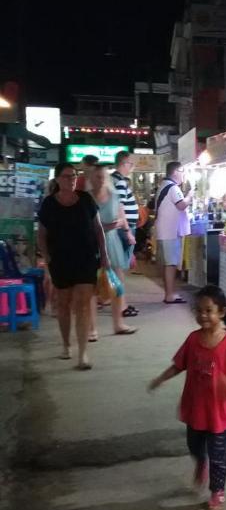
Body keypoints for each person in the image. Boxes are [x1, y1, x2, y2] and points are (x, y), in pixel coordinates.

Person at [148, 285, 226, 510]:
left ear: (221, 312)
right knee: (194, 446)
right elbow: (178, 365)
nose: (203, 315)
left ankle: (217, 491)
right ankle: (200, 462)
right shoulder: (193, 340)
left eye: (208, 310)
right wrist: (161, 379)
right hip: (195, 408)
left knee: (218, 455)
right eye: (199, 310)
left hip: (217, 413)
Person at [37, 162, 109, 369]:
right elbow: (41, 234)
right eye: (67, 176)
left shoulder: (85, 199)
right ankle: (66, 345)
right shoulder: (49, 204)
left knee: (83, 305)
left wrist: (104, 254)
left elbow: (98, 229)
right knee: (64, 304)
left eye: (74, 176)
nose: (72, 180)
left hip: (86, 258)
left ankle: (83, 353)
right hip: (60, 260)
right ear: (58, 179)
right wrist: (47, 257)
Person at [89, 165, 136, 337]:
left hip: (112, 241)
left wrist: (127, 232)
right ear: (91, 178)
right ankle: (92, 329)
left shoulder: (114, 195)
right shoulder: (87, 198)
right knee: (92, 287)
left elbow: (122, 215)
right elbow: (86, 223)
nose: (101, 180)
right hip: (93, 243)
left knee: (117, 285)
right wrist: (107, 226)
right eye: (97, 177)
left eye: (103, 176)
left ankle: (118, 324)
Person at [155, 161, 193, 304]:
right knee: (170, 264)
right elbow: (181, 205)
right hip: (169, 231)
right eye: (182, 172)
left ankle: (169, 293)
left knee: (168, 264)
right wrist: (190, 195)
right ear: (176, 172)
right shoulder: (173, 188)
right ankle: (170, 295)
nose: (184, 175)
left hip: (165, 230)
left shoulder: (164, 185)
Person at [111, 150, 139, 316]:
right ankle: (121, 305)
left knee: (118, 267)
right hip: (123, 228)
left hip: (121, 228)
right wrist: (128, 231)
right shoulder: (120, 181)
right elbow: (120, 207)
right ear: (123, 163)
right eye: (131, 164)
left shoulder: (115, 179)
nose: (132, 167)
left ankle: (121, 303)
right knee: (119, 268)